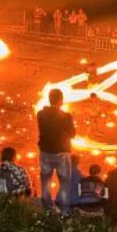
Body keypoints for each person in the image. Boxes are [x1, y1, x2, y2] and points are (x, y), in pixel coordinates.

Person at [36, 88, 75, 217]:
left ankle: (47, 208)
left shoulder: (41, 114)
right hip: (61, 153)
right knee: (64, 182)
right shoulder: (66, 116)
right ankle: (63, 210)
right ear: (61, 101)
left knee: (45, 181)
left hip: (45, 152)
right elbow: (72, 134)